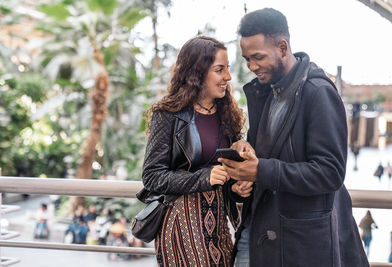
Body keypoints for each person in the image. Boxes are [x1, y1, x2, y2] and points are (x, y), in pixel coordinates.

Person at [218, 8, 369, 266]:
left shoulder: (318, 92)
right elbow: (266, 160)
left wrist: (260, 171)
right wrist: (246, 176)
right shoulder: (266, 92)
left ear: (283, 47)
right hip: (260, 234)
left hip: (298, 246)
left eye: (258, 57)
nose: (252, 67)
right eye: (246, 60)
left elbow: (330, 172)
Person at [141, 36, 248, 266]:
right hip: (181, 224)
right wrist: (203, 178)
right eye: (220, 70)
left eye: (227, 69)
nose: (227, 77)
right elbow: (151, 176)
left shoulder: (228, 113)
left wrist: (239, 187)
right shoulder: (168, 114)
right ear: (197, 72)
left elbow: (227, 172)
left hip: (219, 223)